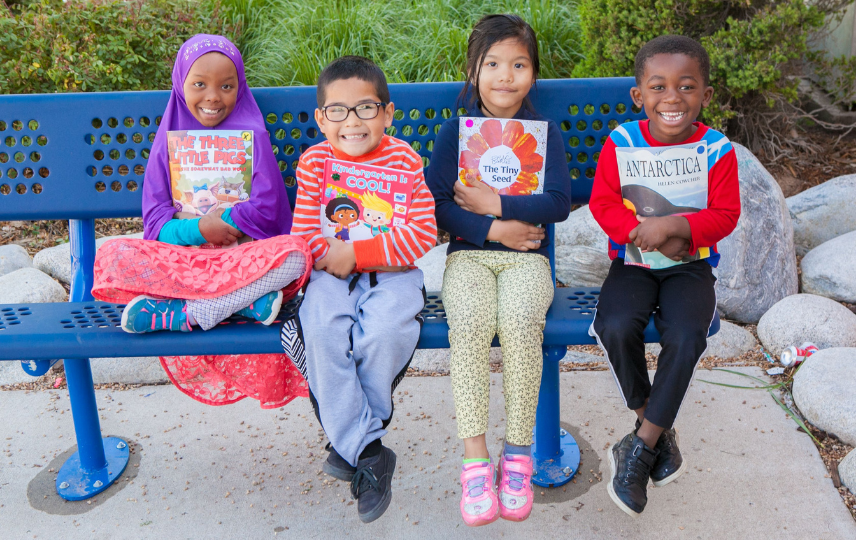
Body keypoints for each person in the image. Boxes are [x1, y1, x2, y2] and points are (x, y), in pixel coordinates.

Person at [92, 34, 312, 409]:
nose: (213, 97)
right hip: (186, 265)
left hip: (241, 259)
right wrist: (199, 229)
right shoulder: (168, 141)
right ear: (181, 83)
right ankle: (240, 305)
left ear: (239, 88)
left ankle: (193, 313)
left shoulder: (253, 136)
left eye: (227, 87)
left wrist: (223, 220)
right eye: (200, 85)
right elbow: (157, 225)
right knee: (112, 254)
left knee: (297, 252)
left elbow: (268, 211)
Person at [425, 14, 571, 526]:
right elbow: (439, 204)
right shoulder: (457, 133)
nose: (504, 76)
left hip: (528, 262)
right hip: (468, 256)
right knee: (467, 328)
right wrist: (494, 229)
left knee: (519, 328)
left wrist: (498, 203)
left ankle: (518, 455)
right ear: (473, 70)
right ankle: (474, 460)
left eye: (518, 64)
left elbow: (558, 202)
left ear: (533, 74)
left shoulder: (543, 133)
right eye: (492, 64)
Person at [588, 34, 741, 517]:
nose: (672, 98)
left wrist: (676, 227)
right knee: (614, 324)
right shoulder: (621, 142)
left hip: (689, 269)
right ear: (640, 96)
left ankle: (638, 448)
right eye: (658, 87)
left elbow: (726, 213)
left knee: (687, 332)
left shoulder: (717, 149)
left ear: (706, 96)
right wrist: (640, 232)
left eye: (687, 87)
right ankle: (655, 431)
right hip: (633, 262)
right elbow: (603, 202)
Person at [288, 55, 437, 523]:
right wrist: (333, 255)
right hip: (328, 274)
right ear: (321, 118)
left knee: (384, 332)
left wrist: (361, 254)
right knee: (324, 331)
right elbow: (303, 230)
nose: (352, 122)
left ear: (387, 114)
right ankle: (370, 450)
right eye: (338, 111)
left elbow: (423, 234)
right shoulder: (315, 163)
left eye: (366, 109)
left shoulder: (405, 161)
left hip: (393, 274)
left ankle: (351, 442)